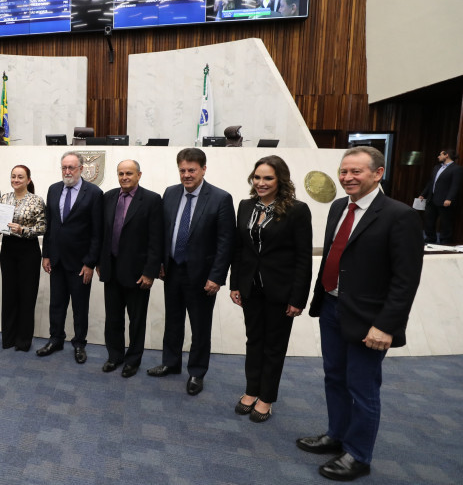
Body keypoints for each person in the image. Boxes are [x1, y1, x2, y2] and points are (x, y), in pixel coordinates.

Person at [297, 146, 423, 481]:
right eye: (343, 172)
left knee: (362, 388)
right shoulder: (339, 206)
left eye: (356, 172)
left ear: (378, 173)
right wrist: (320, 299)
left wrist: (387, 326)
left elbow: (405, 280)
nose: (347, 178)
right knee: (334, 377)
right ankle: (336, 435)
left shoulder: (400, 215)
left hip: (371, 320)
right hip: (332, 308)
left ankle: (358, 454)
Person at [229, 156, 312, 422]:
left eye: (268, 178)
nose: (261, 183)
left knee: (274, 346)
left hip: (281, 291)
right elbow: (239, 249)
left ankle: (266, 397)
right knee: (254, 341)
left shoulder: (297, 210)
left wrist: (298, 298)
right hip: (251, 288)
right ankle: (252, 390)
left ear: (281, 180)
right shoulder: (245, 206)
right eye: (257, 177)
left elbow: (303, 257)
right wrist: (235, 284)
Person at [147, 147, 235, 396]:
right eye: (182, 170)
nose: (186, 175)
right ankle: (171, 362)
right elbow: (165, 231)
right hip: (173, 270)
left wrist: (216, 277)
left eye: (192, 170)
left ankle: (196, 372)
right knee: (173, 321)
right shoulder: (171, 193)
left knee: (200, 326)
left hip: (202, 277)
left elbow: (225, 243)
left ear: (203, 169)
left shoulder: (220, 198)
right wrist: (161, 263)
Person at [97, 160, 162, 378]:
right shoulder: (108, 197)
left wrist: (150, 272)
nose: (124, 177)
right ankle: (114, 356)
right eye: (121, 173)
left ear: (139, 175)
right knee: (113, 318)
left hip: (137, 274)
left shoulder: (152, 200)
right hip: (111, 269)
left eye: (129, 173)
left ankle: (133, 360)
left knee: (136, 321)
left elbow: (156, 239)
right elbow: (102, 233)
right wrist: (100, 262)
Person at [38, 151, 103, 364]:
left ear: (81, 169)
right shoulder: (53, 189)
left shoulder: (93, 193)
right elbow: (50, 226)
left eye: (71, 168)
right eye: (64, 167)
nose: (67, 171)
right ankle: (55, 339)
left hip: (80, 263)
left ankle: (79, 344)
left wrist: (90, 263)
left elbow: (97, 232)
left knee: (79, 306)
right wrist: (46, 254)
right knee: (56, 304)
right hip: (56, 260)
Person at [0, 165, 47, 351]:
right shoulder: (4, 198)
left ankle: (23, 341)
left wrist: (23, 230)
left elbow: (43, 228)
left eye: (20, 177)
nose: (16, 180)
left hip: (28, 250)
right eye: (13, 176)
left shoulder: (37, 200)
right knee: (9, 294)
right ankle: (9, 338)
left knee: (27, 295)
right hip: (8, 250)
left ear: (28, 180)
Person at [418, 149, 461, 244]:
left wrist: (449, 198)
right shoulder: (437, 167)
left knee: (445, 222)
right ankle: (430, 238)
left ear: (447, 155)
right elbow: (431, 182)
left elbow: (455, 185)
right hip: (432, 198)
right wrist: (423, 194)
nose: (438, 156)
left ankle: (445, 240)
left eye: (440, 154)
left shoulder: (456, 169)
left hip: (445, 200)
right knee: (429, 220)